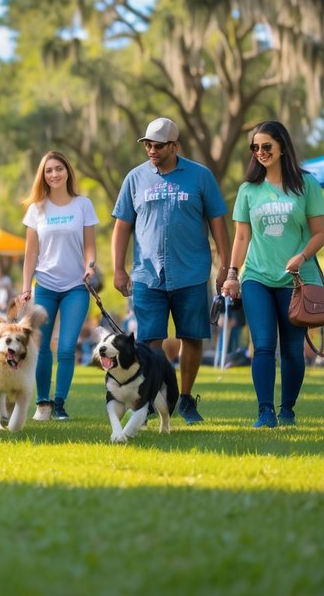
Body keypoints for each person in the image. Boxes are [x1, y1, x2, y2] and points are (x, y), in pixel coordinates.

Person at [111, 117, 230, 424]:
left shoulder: (200, 177)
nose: (152, 150)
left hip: (191, 271)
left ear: (175, 146)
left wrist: (225, 266)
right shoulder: (135, 178)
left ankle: (187, 399)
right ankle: (150, 399)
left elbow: (218, 223)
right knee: (149, 341)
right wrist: (118, 269)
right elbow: (122, 226)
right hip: (148, 274)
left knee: (192, 336)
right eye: (148, 144)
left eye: (159, 145)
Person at [221, 121, 324, 428]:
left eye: (266, 146)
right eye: (255, 148)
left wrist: (302, 256)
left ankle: (288, 409)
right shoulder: (248, 190)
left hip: (297, 279)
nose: (261, 153)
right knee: (264, 345)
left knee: (293, 350)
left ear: (282, 146)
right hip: (256, 277)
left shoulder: (307, 185)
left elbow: (320, 233)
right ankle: (265, 411)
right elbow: (241, 237)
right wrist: (232, 274)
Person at [20, 150, 99, 422]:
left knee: (66, 347)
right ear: (43, 176)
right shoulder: (36, 209)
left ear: (67, 171)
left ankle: (60, 403)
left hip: (76, 287)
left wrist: (91, 266)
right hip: (45, 285)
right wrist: (25, 287)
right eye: (49, 170)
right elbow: (30, 253)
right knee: (41, 347)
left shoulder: (83, 205)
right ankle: (42, 403)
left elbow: (90, 245)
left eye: (58, 169)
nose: (54, 174)